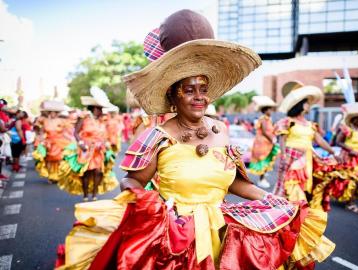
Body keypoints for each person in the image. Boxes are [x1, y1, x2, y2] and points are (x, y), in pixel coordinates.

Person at [55, 10, 335, 270]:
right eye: (190, 90)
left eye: (204, 89)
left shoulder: (221, 130)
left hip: (222, 234)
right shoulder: (158, 136)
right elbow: (132, 180)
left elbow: (235, 182)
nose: (200, 96)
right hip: (177, 238)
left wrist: (272, 198)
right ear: (174, 95)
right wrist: (150, 206)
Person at [274, 81, 341, 211]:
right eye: (306, 103)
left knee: (304, 187)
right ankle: (290, 214)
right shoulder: (288, 122)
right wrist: (283, 156)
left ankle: (295, 219)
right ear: (300, 105)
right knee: (289, 187)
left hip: (308, 160)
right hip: (291, 157)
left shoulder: (310, 124)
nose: (309, 105)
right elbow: (282, 140)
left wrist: (334, 153)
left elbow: (320, 141)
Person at [333, 102, 358, 213]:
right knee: (352, 180)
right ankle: (350, 203)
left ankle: (349, 200)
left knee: (357, 180)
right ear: (354, 119)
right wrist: (351, 150)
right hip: (349, 158)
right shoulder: (347, 129)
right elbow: (338, 142)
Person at [32, 101, 69, 182]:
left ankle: (58, 175)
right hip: (48, 142)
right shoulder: (45, 120)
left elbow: (66, 131)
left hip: (59, 142)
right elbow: (41, 131)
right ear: (49, 113)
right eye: (51, 112)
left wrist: (70, 140)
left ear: (57, 113)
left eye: (54, 112)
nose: (53, 114)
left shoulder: (61, 121)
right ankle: (50, 175)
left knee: (59, 159)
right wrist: (40, 139)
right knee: (48, 159)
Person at [249, 96, 279, 189]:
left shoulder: (267, 119)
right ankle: (261, 179)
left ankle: (262, 177)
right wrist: (273, 140)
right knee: (263, 160)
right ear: (265, 110)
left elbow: (270, 130)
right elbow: (265, 132)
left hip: (265, 143)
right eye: (269, 110)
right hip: (263, 144)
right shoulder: (264, 119)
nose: (271, 111)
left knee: (265, 161)